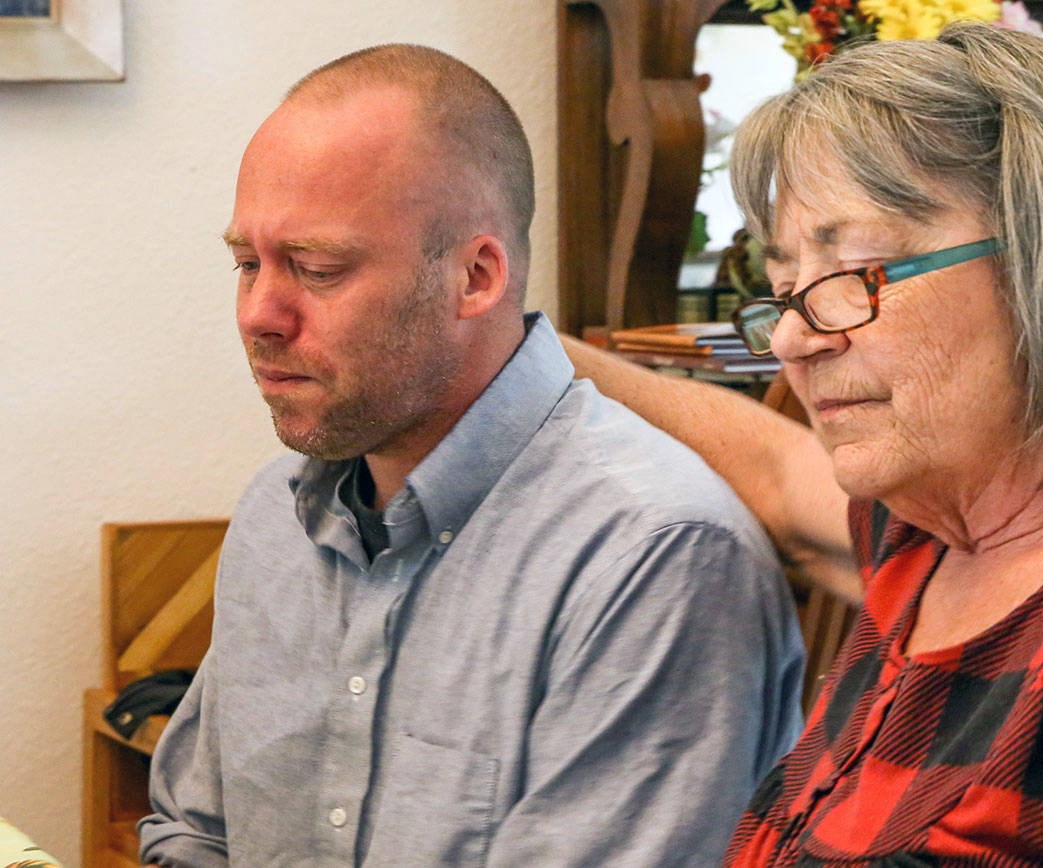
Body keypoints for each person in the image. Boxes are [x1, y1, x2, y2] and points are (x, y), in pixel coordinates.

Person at [565, 23, 1043, 865]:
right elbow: (771, 465)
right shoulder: (923, 531)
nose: (792, 342)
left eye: (856, 277)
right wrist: (522, 350)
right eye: (783, 292)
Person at [138, 44, 805, 867]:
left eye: (315, 269)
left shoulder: (653, 559)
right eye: (247, 264)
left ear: (477, 277)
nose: (258, 315)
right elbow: (195, 833)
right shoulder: (275, 519)